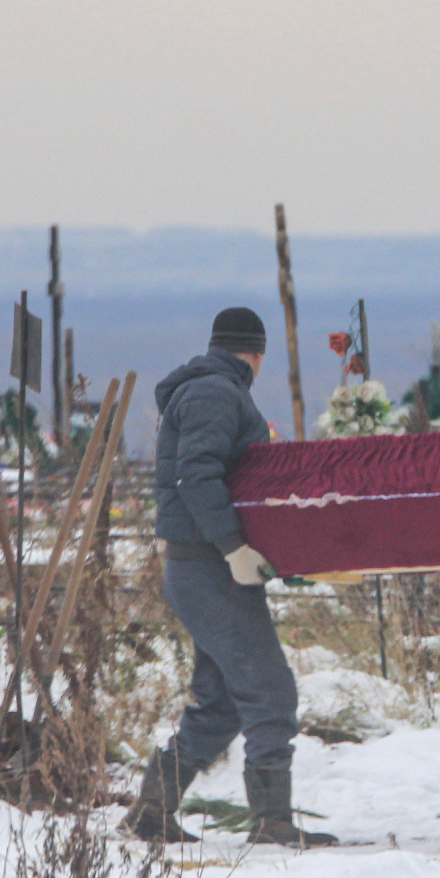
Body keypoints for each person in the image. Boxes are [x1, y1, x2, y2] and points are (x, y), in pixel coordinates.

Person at [124, 308, 337, 847]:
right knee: (270, 691)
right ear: (258, 355)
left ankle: (152, 811)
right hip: (208, 566)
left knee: (220, 702)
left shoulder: (210, 388)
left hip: (202, 565)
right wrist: (234, 546)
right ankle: (272, 822)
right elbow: (196, 474)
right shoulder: (217, 393)